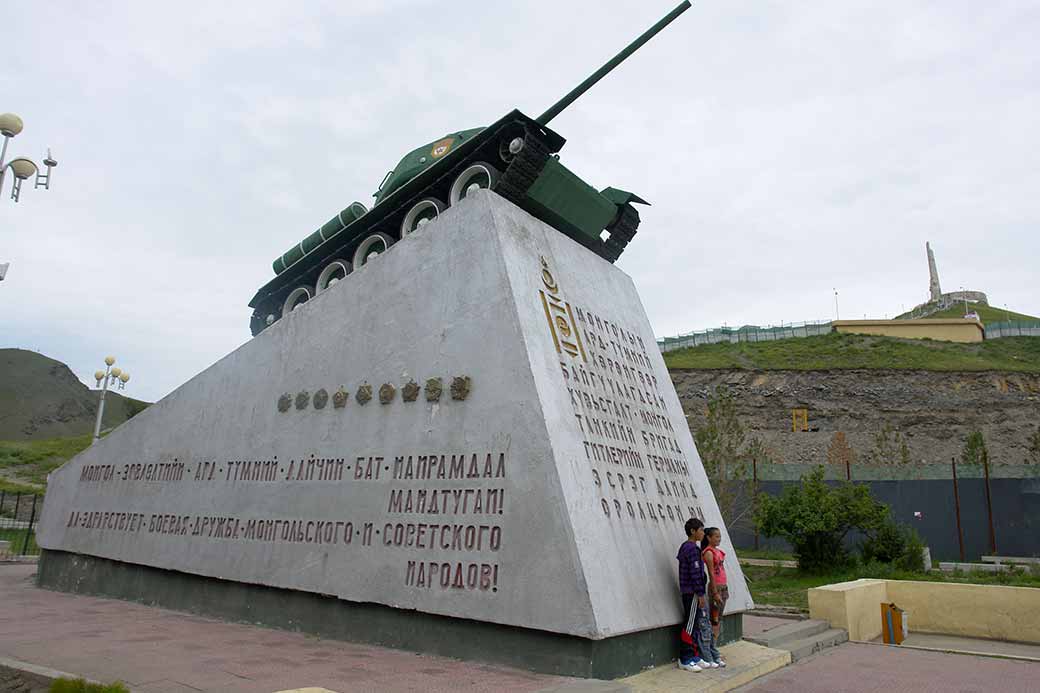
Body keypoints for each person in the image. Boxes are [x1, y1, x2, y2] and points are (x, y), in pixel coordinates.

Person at [676, 518, 712, 672]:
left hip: (693, 592)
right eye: (701, 530)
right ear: (693, 531)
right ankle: (685, 658)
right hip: (692, 592)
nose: (703, 533)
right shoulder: (690, 549)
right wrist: (701, 593)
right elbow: (695, 573)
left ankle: (694, 655)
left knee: (695, 624)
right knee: (690, 625)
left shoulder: (692, 548)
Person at [701, 527, 729, 668]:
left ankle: (714, 649)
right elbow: (711, 573)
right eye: (716, 536)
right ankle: (712, 652)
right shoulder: (709, 553)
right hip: (716, 588)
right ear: (709, 537)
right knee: (714, 620)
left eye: (719, 536)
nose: (719, 539)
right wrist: (715, 592)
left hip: (723, 587)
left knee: (718, 620)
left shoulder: (718, 551)